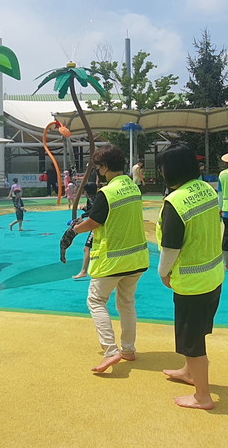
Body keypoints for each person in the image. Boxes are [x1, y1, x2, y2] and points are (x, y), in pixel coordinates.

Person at [69, 145, 149, 373]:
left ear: (104, 167)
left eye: (98, 167)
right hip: (136, 259)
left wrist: (74, 230)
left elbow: (94, 222)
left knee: (96, 301)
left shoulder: (107, 192)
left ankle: (110, 351)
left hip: (112, 260)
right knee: (126, 303)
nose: (98, 171)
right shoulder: (133, 187)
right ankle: (128, 349)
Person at [156, 143, 224, 410]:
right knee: (197, 332)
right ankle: (188, 371)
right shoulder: (207, 189)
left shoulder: (175, 202)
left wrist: (163, 273)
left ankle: (202, 396)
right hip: (213, 275)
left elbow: (171, 248)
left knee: (192, 341)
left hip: (192, 284)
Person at [60, 182, 98, 280]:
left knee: (86, 248)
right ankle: (64, 248)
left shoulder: (93, 199)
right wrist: (84, 210)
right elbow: (92, 210)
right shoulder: (95, 198)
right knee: (87, 248)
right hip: (96, 224)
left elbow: (93, 211)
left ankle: (84, 272)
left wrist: (82, 216)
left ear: (86, 192)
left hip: (97, 226)